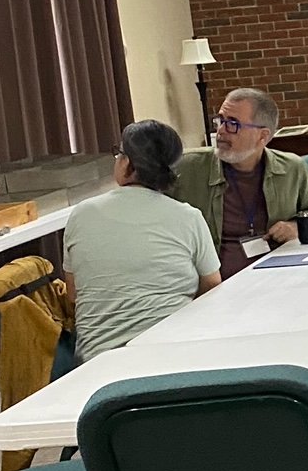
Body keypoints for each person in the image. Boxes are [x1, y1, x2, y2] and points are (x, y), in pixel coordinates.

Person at [63, 120, 220, 360]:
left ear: (128, 163)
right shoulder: (188, 217)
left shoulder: (81, 214)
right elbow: (212, 287)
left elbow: (74, 294)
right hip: (176, 353)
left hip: (97, 361)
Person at [173, 86, 308, 279]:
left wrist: (297, 227)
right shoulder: (187, 168)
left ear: (262, 136)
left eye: (232, 124)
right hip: (214, 286)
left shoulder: (291, 168)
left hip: (281, 275)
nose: (221, 131)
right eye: (220, 120)